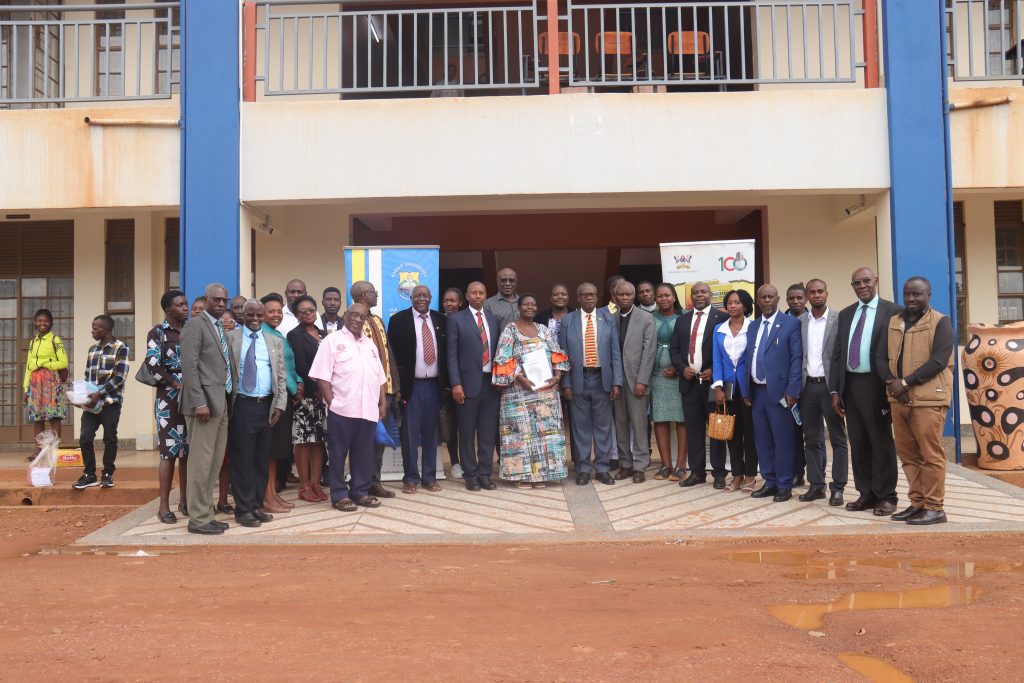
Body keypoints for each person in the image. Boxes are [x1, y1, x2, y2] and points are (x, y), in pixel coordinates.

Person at [877, 276, 953, 526]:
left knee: (931, 455)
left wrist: (906, 382)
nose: (911, 298)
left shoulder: (941, 322)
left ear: (928, 295)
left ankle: (934, 507)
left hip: (928, 400)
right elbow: (881, 357)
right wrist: (893, 383)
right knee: (908, 455)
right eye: (907, 294)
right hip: (898, 399)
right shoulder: (894, 322)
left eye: (917, 294)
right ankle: (918, 503)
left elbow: (938, 361)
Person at [830, 267, 903, 517]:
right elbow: (838, 354)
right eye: (857, 283)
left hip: (877, 385)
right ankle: (867, 493)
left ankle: (887, 496)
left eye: (866, 281)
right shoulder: (846, 314)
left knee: (881, 442)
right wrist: (835, 391)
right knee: (858, 442)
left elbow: (898, 351)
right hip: (850, 385)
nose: (862, 286)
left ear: (876, 281)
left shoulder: (893, 311)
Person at [309, 303, 388, 511]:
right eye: (354, 315)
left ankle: (360, 492)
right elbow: (322, 377)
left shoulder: (370, 344)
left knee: (363, 454)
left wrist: (382, 402)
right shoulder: (332, 341)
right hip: (341, 410)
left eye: (362, 317)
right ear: (346, 315)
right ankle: (339, 495)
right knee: (337, 454)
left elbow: (380, 377)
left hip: (367, 410)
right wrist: (332, 403)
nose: (357, 319)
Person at [493, 294, 569, 488]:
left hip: (545, 392)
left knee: (545, 435)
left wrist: (557, 376)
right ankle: (522, 476)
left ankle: (542, 474)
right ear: (519, 308)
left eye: (533, 304)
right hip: (518, 393)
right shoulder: (510, 329)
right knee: (520, 435)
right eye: (525, 304)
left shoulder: (543, 329)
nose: (530, 307)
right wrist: (521, 378)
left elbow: (557, 353)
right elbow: (502, 358)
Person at [179, 283, 236, 535]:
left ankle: (206, 514)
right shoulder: (195, 325)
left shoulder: (217, 326)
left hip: (220, 402)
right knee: (200, 463)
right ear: (206, 300)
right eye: (216, 300)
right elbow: (189, 367)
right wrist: (198, 402)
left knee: (213, 463)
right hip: (203, 405)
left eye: (224, 300)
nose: (221, 304)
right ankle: (198, 519)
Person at [227, 300, 287, 527]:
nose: (254, 319)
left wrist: (280, 405)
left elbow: (280, 375)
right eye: (249, 315)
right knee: (243, 459)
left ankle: (255, 505)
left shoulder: (274, 341)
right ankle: (243, 509)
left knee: (262, 459)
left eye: (258, 315)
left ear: (263, 316)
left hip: (268, 407)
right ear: (242, 315)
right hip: (242, 405)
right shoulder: (231, 338)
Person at [741, 285, 802, 502]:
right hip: (757, 392)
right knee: (763, 440)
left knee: (783, 440)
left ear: (777, 299)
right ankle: (770, 481)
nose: (767, 300)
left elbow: (796, 358)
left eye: (770, 297)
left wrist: (792, 390)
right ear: (757, 301)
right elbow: (748, 358)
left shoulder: (790, 324)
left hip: (780, 394)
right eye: (763, 297)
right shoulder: (753, 326)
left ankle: (784, 484)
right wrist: (746, 389)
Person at [559, 282, 622, 486]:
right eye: (585, 295)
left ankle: (602, 468)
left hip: (602, 379)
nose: (589, 297)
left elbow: (615, 353)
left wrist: (617, 382)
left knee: (603, 427)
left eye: (592, 294)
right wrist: (565, 383)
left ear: (597, 297)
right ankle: (583, 469)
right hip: (578, 379)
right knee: (580, 427)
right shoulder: (567, 321)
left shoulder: (608, 318)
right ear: (578, 298)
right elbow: (562, 355)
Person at [387, 285, 447, 494]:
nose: (421, 299)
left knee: (431, 434)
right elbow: (392, 356)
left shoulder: (441, 319)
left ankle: (429, 478)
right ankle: (411, 478)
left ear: (430, 298)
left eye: (425, 295)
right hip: (410, 387)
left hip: (435, 386)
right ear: (411, 298)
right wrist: (396, 387)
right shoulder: (398, 320)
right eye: (417, 296)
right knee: (410, 435)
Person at [670, 281, 729, 488]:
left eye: (703, 292)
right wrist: (681, 368)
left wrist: (714, 369)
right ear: (691, 297)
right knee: (693, 429)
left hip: (714, 384)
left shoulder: (722, 318)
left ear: (710, 294)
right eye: (695, 293)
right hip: (689, 384)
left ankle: (719, 473)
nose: (699, 295)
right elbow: (674, 349)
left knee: (716, 429)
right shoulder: (682, 320)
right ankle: (697, 472)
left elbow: (727, 349)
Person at [797, 279, 849, 506]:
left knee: (838, 438)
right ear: (807, 296)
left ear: (827, 293)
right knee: (811, 438)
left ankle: (838, 488)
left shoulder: (839, 319)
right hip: (807, 387)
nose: (817, 295)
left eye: (820, 291)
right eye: (812, 292)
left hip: (831, 388)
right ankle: (816, 485)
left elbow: (841, 357)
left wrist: (839, 390)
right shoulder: (800, 321)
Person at [447, 281, 501, 491]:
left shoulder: (493, 320)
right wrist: (456, 383)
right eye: (474, 293)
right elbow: (451, 355)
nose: (478, 296)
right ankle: (470, 475)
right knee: (467, 433)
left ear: (486, 296)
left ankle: (485, 474)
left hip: (491, 385)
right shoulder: (456, 320)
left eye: (481, 293)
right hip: (466, 385)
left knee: (487, 433)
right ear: (467, 296)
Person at [350, 280, 400, 500]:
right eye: (373, 292)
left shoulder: (378, 320)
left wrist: (395, 385)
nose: (377, 295)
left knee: (379, 439)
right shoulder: (352, 323)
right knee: (362, 441)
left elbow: (388, 354)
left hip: (384, 391)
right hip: (363, 393)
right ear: (363, 295)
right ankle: (359, 483)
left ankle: (374, 482)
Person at [146, 291, 190, 523]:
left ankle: (185, 501)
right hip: (169, 398)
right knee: (169, 452)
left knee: (187, 452)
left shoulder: (192, 330)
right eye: (179, 305)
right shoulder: (158, 333)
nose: (185, 307)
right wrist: (175, 383)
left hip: (192, 396)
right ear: (167, 309)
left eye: (185, 304)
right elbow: (152, 364)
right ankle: (163, 506)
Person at [72, 315, 129, 491]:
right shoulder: (92, 349)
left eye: (95, 328)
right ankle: (89, 475)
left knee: (109, 438)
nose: (92, 331)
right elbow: (88, 376)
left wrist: (100, 393)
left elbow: (120, 377)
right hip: (91, 404)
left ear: (106, 330)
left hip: (110, 402)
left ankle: (107, 474)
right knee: (85, 438)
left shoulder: (120, 347)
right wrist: (81, 398)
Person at [711, 290, 758, 493]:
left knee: (750, 433)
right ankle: (737, 475)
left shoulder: (753, 327)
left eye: (737, 302)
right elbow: (717, 360)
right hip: (728, 388)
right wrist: (718, 387)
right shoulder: (719, 329)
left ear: (745, 306)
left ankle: (750, 476)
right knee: (732, 434)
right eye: (729, 302)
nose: (732, 306)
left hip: (748, 387)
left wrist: (751, 389)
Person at [611, 281, 656, 483]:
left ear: (634, 296)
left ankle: (640, 466)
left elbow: (649, 351)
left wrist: (642, 381)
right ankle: (625, 464)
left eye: (628, 294)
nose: (625, 298)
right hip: (617, 381)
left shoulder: (646, 318)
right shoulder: (610, 318)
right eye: (621, 294)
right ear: (615, 296)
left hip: (637, 380)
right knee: (620, 424)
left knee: (639, 425)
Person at [260, 292, 301, 512]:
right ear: (262, 313)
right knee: (268, 451)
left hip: (284, 397)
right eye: (271, 311)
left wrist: (298, 381)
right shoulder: (264, 335)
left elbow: (288, 365)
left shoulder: (276, 333)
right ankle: (266, 497)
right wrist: (294, 387)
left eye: (279, 311)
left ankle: (273, 494)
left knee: (275, 451)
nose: (276, 315)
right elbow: (277, 369)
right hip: (274, 399)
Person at [287, 294, 329, 503]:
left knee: (318, 441)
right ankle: (304, 486)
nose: (308, 314)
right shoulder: (295, 335)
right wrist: (318, 388)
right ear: (296, 315)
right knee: (303, 441)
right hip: (307, 397)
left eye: (311, 310)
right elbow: (301, 366)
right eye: (302, 311)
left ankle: (315, 483)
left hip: (323, 398)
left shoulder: (323, 334)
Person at [650, 284, 688, 481]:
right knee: (660, 418)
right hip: (656, 375)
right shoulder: (650, 318)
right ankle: (666, 465)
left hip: (680, 376)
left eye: (667, 295)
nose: (663, 299)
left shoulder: (685, 316)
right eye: (660, 296)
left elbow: (691, 346)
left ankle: (681, 465)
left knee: (681, 419)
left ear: (674, 297)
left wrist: (679, 368)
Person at [23, 308, 68, 460]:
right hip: (34, 383)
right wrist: (26, 389)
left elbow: (63, 362)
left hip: (51, 382)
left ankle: (54, 451)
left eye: (46, 321)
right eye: (40, 320)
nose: (43, 323)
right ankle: (38, 451)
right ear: (35, 322)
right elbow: (28, 366)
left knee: (54, 417)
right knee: (37, 418)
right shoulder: (32, 342)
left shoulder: (56, 340)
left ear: (51, 323)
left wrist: (44, 363)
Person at [441, 287, 465, 478]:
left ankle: (465, 461)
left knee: (463, 424)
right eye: (446, 300)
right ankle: (454, 461)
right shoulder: (437, 321)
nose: (449, 304)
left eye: (453, 300)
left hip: (462, 382)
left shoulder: (466, 321)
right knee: (448, 424)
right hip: (442, 383)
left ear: (460, 302)